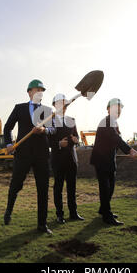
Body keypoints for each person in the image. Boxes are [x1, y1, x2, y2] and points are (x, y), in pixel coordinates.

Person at [3, 79, 54, 234]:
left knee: (43, 189)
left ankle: (42, 224)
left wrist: (44, 130)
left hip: (41, 154)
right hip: (23, 153)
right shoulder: (19, 108)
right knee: (16, 185)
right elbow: (7, 127)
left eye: (42, 90)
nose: (40, 93)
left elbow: (53, 130)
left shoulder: (47, 110)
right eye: (37, 90)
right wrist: (8, 144)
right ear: (29, 92)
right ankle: (8, 211)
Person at [90, 98, 137, 226]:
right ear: (108, 109)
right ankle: (107, 216)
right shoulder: (107, 121)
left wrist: (125, 149)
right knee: (105, 188)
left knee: (110, 187)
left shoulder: (113, 123)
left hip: (109, 160)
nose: (118, 111)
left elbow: (114, 140)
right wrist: (129, 150)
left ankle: (103, 209)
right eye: (116, 108)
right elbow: (115, 138)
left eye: (120, 109)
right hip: (101, 160)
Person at [49, 93, 84, 224]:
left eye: (65, 103)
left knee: (72, 188)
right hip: (58, 160)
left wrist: (76, 140)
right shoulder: (49, 121)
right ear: (54, 105)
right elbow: (46, 141)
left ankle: (73, 213)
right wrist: (58, 144)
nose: (64, 106)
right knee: (58, 188)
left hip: (71, 159)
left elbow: (76, 137)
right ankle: (59, 215)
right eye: (60, 103)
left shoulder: (72, 120)